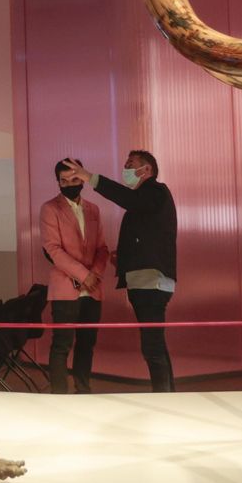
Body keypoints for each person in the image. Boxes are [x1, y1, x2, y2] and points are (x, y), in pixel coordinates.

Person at [61, 151, 177, 392]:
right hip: (143, 282)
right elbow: (146, 236)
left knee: (152, 348)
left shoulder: (155, 192)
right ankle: (167, 394)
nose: (125, 168)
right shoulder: (144, 201)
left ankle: (164, 397)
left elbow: (127, 199)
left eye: (130, 164)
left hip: (151, 284)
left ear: (146, 170)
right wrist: (122, 259)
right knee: (156, 346)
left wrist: (90, 177)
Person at [39, 160, 108, 394]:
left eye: (74, 179)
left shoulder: (93, 209)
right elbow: (53, 249)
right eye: (64, 181)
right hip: (64, 288)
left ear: (82, 179)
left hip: (94, 288)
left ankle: (83, 391)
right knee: (62, 345)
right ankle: (58, 395)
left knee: (87, 345)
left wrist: (94, 275)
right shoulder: (49, 208)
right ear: (57, 182)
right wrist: (83, 275)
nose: (69, 184)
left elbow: (102, 248)